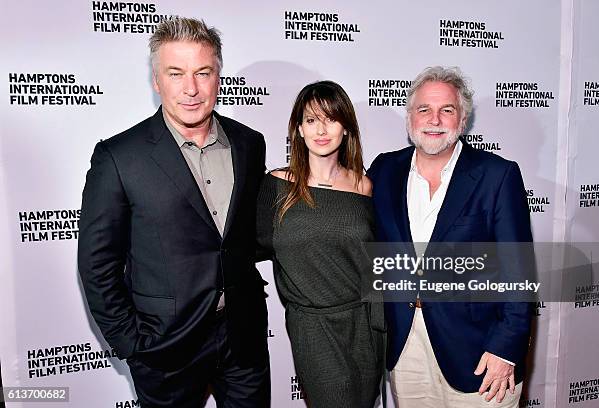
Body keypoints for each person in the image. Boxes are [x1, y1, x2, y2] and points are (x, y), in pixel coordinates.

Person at [78, 17, 270, 408]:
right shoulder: (119, 157)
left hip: (243, 340)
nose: (191, 88)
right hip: (166, 350)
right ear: (156, 81)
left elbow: (245, 238)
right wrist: (132, 343)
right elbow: (97, 265)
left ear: (219, 76)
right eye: (176, 73)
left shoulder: (250, 144)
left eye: (203, 72)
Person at [367, 66, 533, 407]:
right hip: (405, 345)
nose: (434, 119)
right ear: (410, 116)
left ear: (462, 119)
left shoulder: (496, 175)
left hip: (480, 352)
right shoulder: (384, 170)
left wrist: (505, 348)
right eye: (424, 109)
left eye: (447, 110)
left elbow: (520, 272)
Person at [256, 80, 385, 407]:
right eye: (311, 120)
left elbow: (374, 258)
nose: (321, 129)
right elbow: (249, 246)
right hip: (313, 328)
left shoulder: (364, 186)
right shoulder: (276, 185)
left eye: (331, 118)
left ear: (346, 128)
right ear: (298, 130)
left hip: (366, 323)